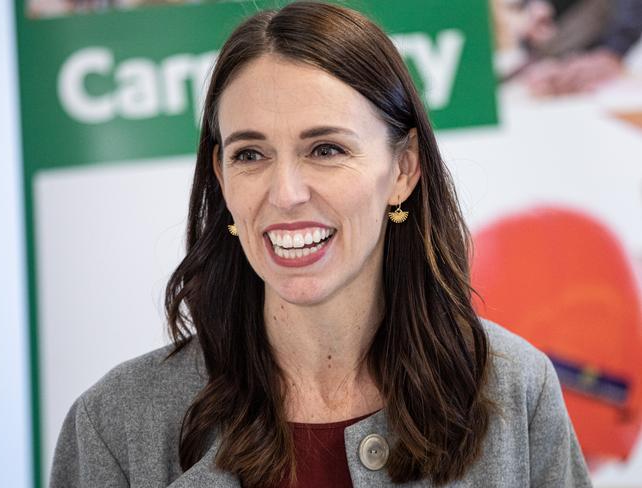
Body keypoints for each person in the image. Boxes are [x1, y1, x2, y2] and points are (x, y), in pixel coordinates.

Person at [50, 2, 593, 487]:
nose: (285, 194)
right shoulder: (113, 424)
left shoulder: (516, 390)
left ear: (403, 169)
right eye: (250, 155)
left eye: (327, 149)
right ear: (220, 176)